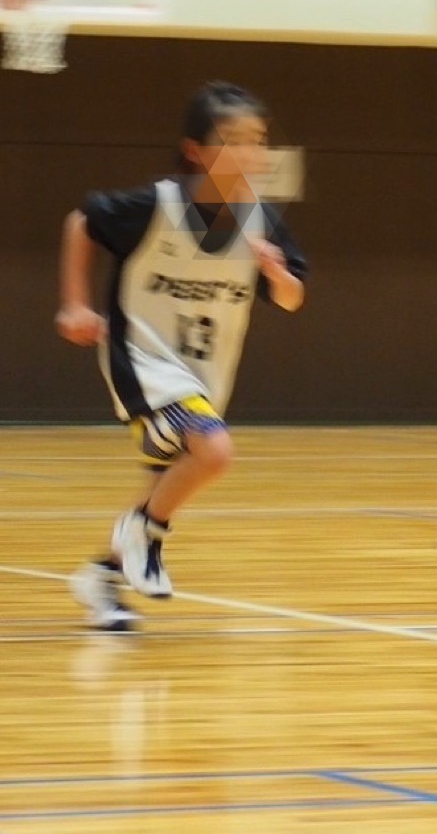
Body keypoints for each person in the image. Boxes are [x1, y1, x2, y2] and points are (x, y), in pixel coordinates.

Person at [58, 82, 308, 631]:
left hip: (203, 375)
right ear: (196, 150)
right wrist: (75, 304)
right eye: (233, 140)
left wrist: (275, 273)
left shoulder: (262, 221)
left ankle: (102, 577)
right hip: (142, 360)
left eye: (258, 140)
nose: (250, 153)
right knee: (214, 451)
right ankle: (146, 534)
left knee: (166, 483)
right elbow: (83, 221)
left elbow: (292, 299)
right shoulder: (157, 206)